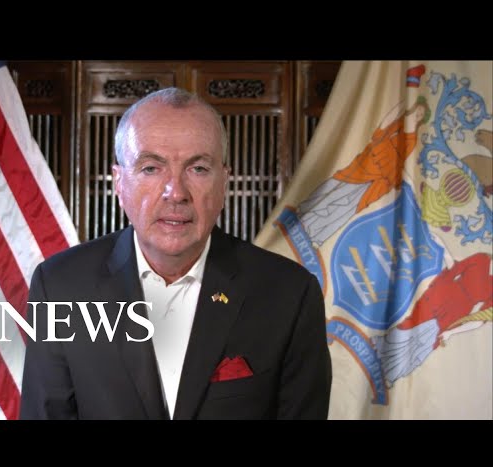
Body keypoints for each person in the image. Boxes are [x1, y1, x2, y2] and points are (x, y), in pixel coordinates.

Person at [19, 87, 332, 419]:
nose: (176, 192)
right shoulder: (60, 286)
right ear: (119, 182)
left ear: (224, 182)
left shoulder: (290, 294)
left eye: (198, 169)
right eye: (151, 168)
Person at [298, 96, 431, 247]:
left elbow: (400, 161)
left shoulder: (412, 139)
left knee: (349, 206)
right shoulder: (398, 122)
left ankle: (317, 235)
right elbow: (382, 128)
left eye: (421, 115)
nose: (417, 115)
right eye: (418, 111)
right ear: (413, 109)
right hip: (366, 164)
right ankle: (305, 218)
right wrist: (402, 102)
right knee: (335, 188)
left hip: (380, 179)